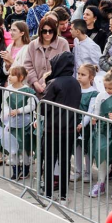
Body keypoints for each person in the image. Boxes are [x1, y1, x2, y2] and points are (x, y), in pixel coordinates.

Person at [40, 51, 81, 200]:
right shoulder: (75, 82)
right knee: (65, 161)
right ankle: (63, 195)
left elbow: (43, 108)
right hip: (69, 129)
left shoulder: (54, 83)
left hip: (53, 129)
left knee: (49, 160)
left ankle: (48, 193)